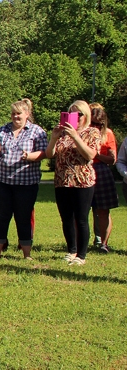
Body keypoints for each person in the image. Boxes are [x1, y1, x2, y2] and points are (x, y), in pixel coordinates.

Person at [0, 99, 48, 260]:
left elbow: (45, 153)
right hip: (1, 181)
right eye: (13, 113)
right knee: (2, 216)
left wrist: (30, 156)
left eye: (19, 113)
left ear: (27, 114)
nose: (15, 117)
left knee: (23, 217)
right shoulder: (3, 130)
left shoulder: (36, 131)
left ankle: (26, 254)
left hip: (26, 182)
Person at [46, 100, 100, 265]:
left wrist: (76, 136)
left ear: (86, 116)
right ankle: (71, 250)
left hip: (82, 181)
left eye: (79, 115)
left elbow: (90, 155)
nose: (75, 118)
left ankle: (81, 255)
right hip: (62, 181)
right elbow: (49, 154)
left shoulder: (92, 132)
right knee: (66, 218)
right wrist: (54, 138)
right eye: (71, 114)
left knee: (81, 218)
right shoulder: (62, 134)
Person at [89, 105, 118, 253]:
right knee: (80, 211)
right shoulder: (83, 133)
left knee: (103, 210)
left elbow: (112, 160)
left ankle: (103, 243)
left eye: (99, 124)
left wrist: (96, 155)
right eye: (93, 123)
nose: (96, 127)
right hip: (84, 170)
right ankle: (80, 242)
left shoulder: (108, 134)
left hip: (101, 171)